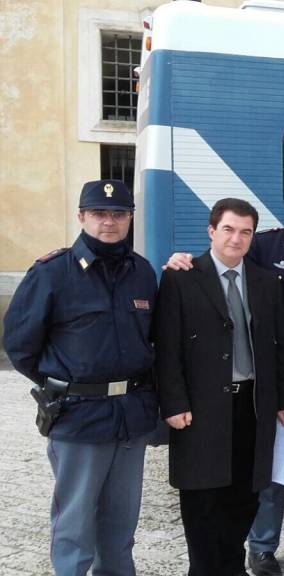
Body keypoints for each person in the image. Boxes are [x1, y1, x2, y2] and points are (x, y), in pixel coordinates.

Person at [164, 166, 284, 574]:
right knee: (269, 472)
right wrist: (181, 260)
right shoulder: (265, 245)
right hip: (273, 383)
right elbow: (224, 267)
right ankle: (261, 546)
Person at [3, 180, 158, 576]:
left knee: (121, 526)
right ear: (81, 217)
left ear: (130, 218)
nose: (109, 222)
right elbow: (20, 346)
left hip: (130, 417)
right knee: (74, 526)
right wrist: (65, 384)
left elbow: (153, 339)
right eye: (99, 213)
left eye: (118, 214)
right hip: (79, 418)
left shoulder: (142, 272)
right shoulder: (52, 273)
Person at [155, 198, 284, 575]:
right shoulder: (181, 277)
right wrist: (172, 402)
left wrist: (283, 398)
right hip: (199, 411)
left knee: (243, 501)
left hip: (253, 407)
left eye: (245, 231)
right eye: (229, 229)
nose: (237, 238)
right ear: (212, 231)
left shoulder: (266, 282)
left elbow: (278, 344)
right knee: (203, 505)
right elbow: (167, 348)